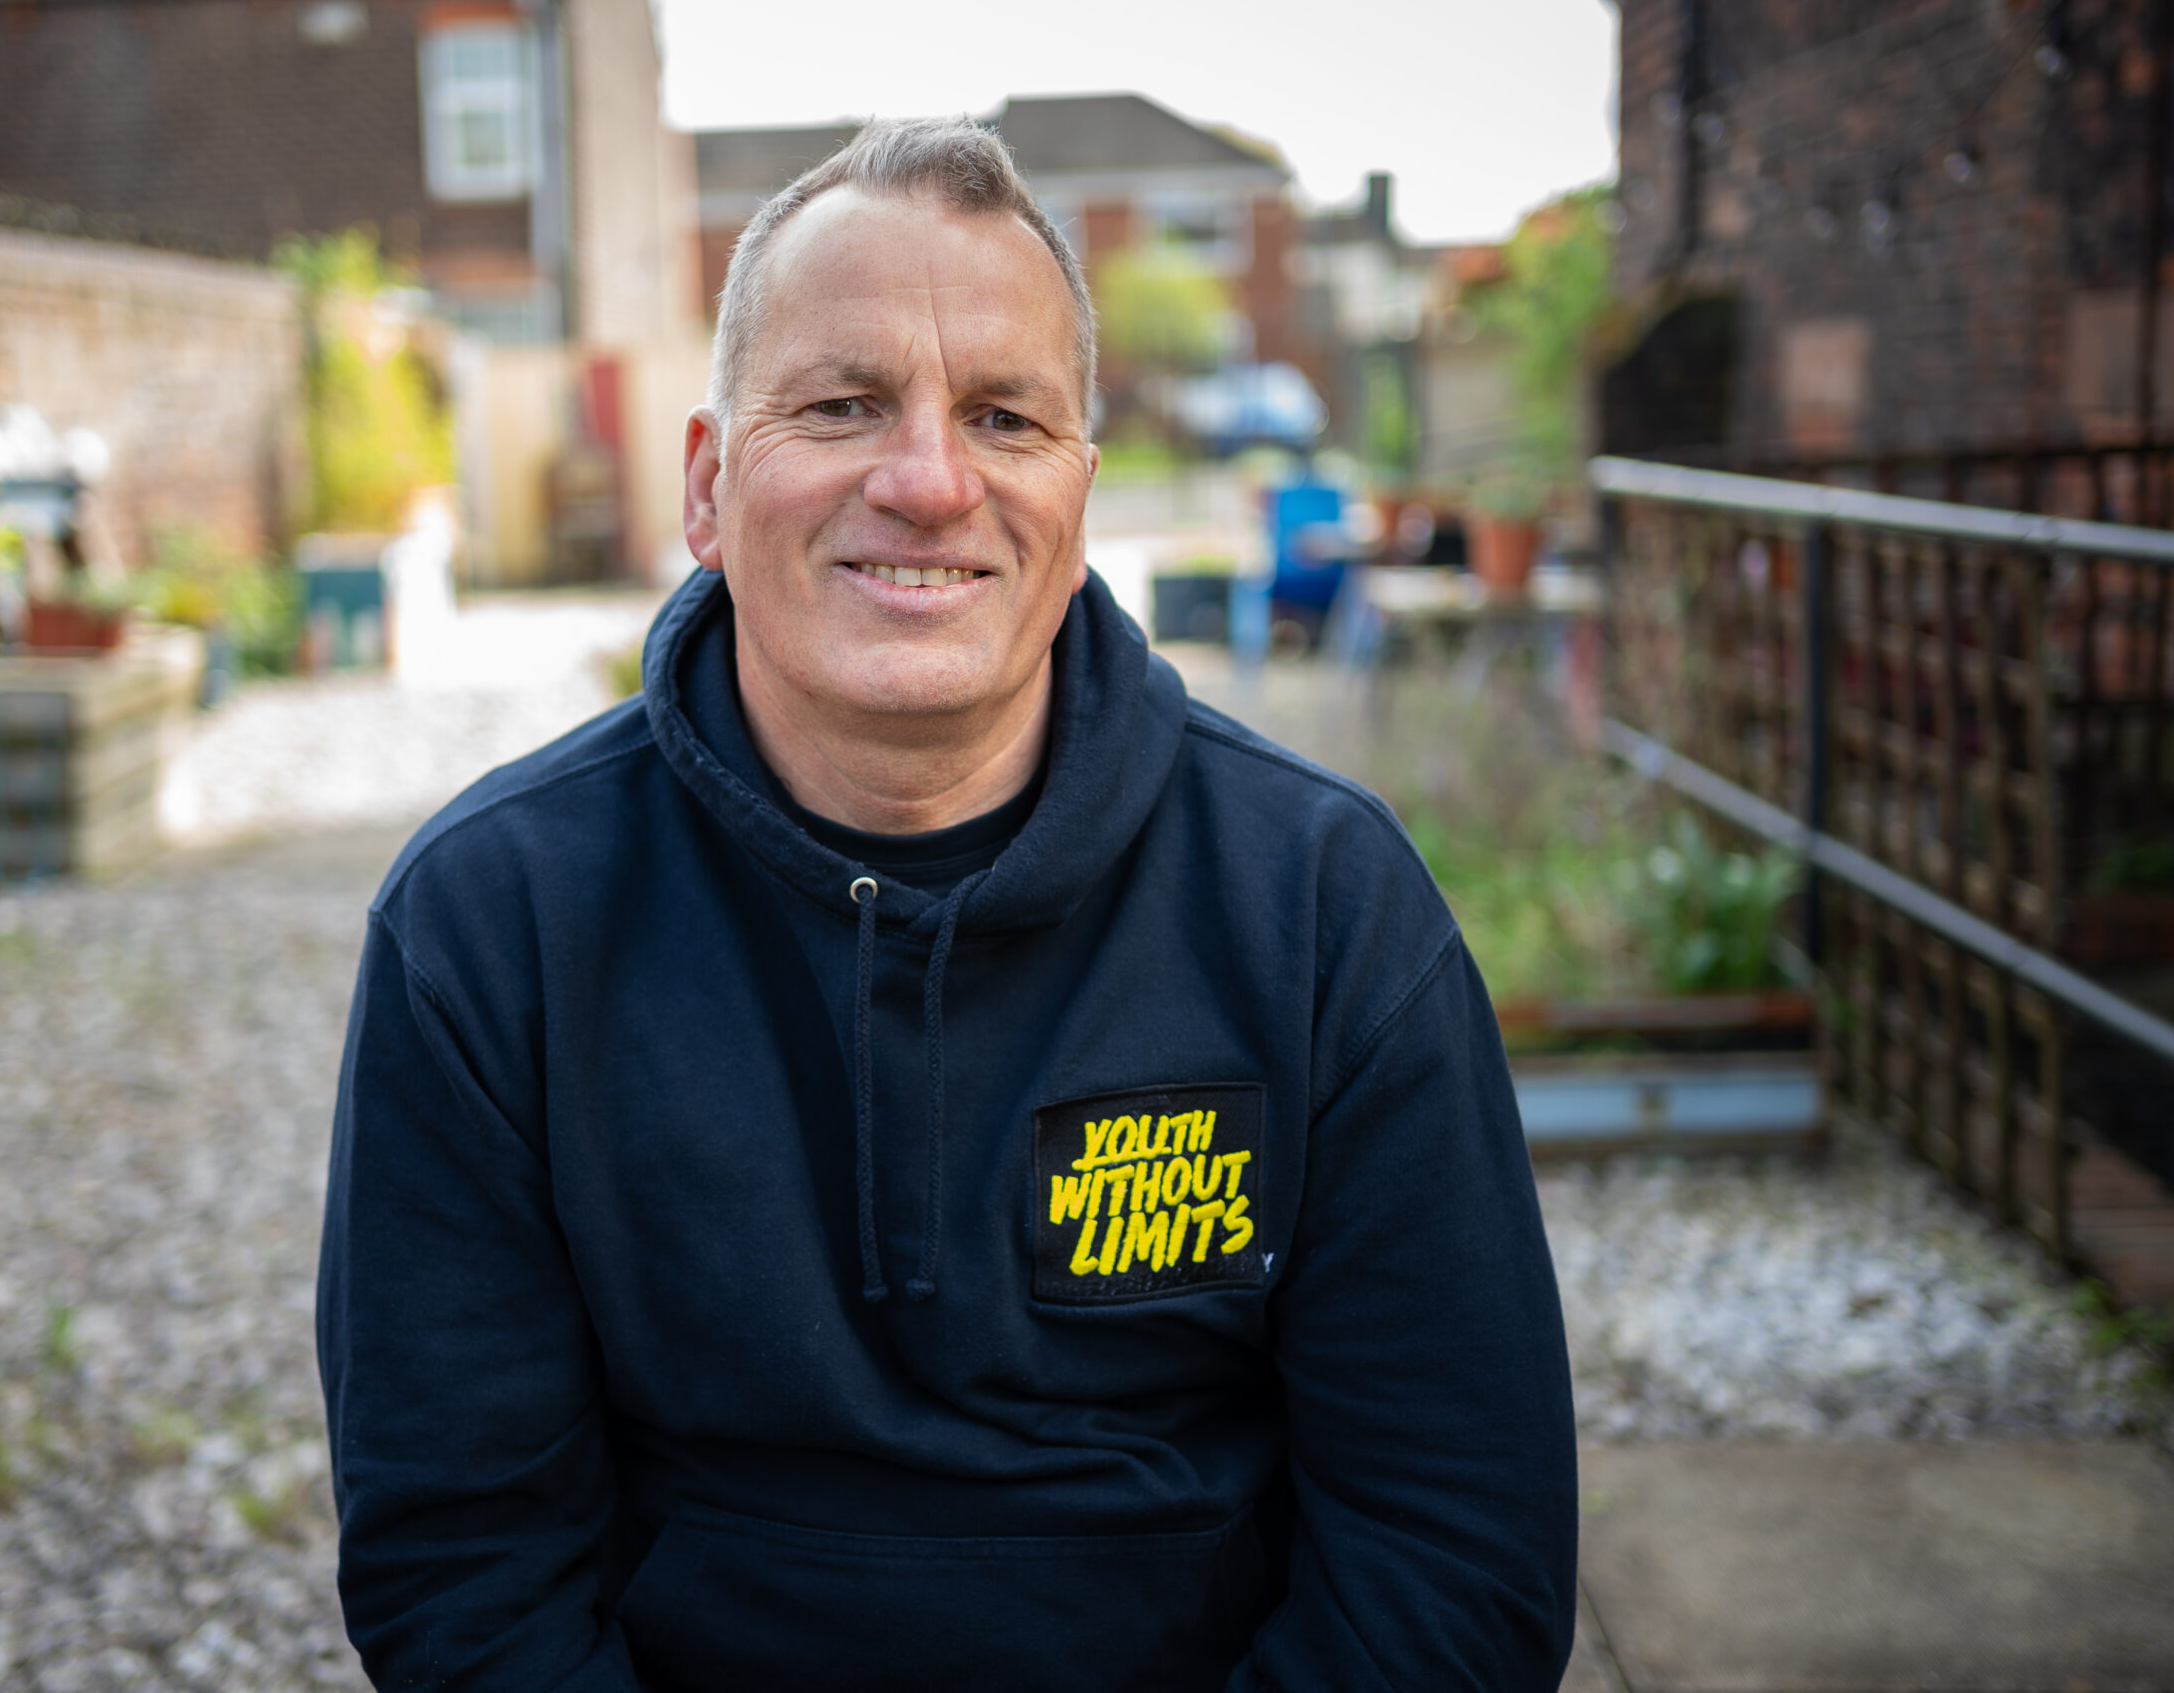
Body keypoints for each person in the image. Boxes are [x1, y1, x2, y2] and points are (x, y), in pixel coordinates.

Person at [316, 117, 1577, 1692]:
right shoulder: (491, 928)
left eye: (1004, 416)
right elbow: (463, 1559)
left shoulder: (1322, 905)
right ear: (710, 485)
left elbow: (1459, 1548)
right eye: (843, 405)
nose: (927, 481)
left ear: (1079, 497)